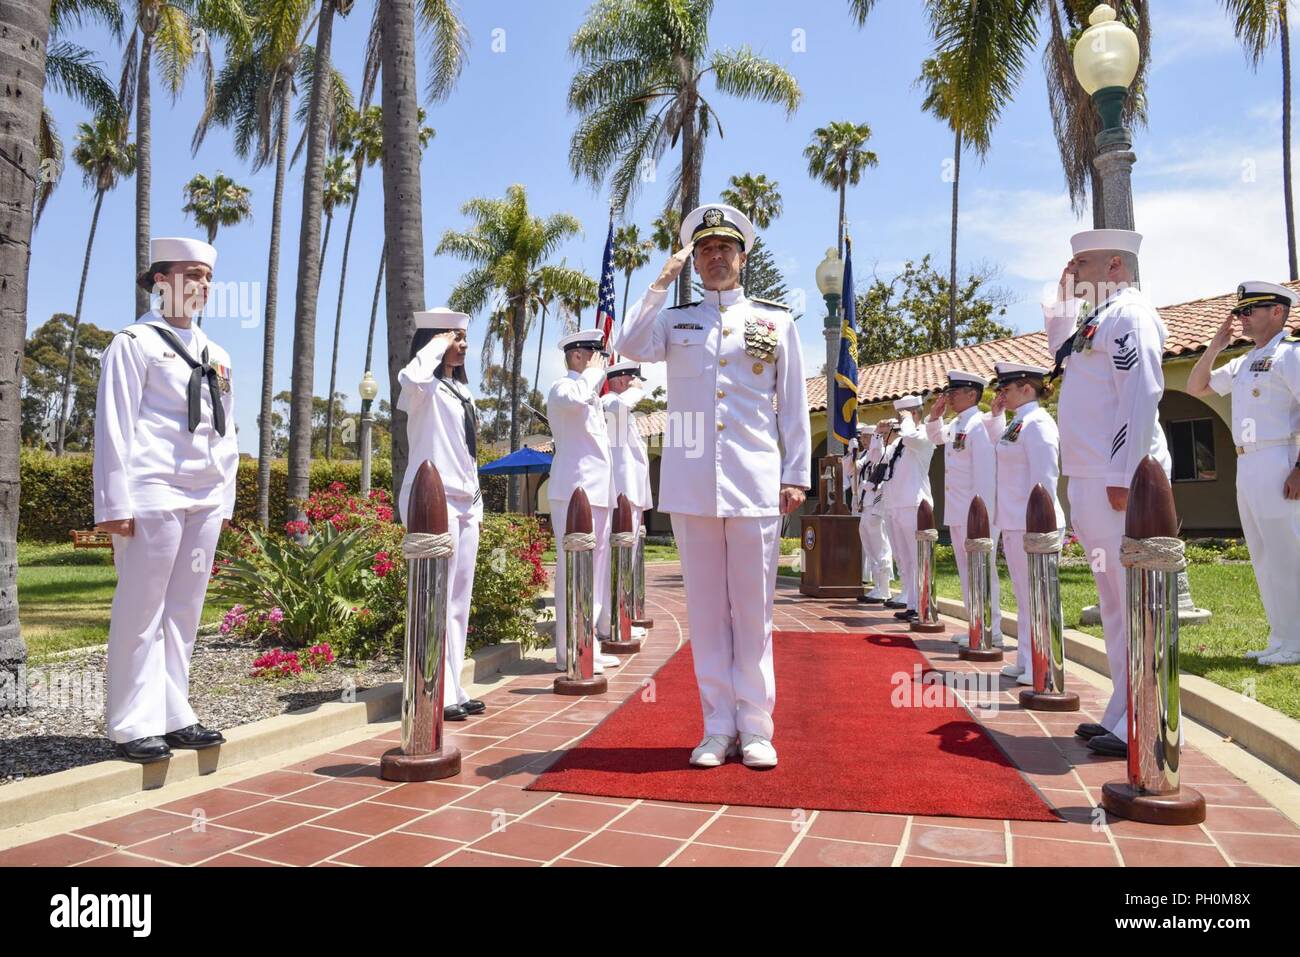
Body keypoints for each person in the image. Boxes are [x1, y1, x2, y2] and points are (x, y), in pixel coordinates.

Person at [616, 203, 810, 769]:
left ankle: (756, 728)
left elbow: (792, 403)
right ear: (694, 262)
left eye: (725, 248)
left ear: (742, 257)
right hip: (692, 483)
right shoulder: (676, 322)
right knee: (705, 610)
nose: (716, 256)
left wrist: (796, 472)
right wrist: (657, 286)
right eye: (705, 250)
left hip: (754, 482)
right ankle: (716, 727)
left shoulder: (775, 322)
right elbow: (628, 344)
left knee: (752, 611)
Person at [93, 237, 236, 763]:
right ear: (160, 280)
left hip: (203, 494)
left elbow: (229, 434)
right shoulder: (134, 342)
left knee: (184, 610)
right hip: (151, 488)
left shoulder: (216, 354)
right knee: (140, 608)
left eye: (207, 277)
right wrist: (114, 503)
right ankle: (131, 723)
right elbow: (114, 424)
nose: (201, 285)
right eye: (191, 274)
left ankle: (175, 713)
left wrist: (224, 498)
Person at [1044, 229, 1170, 758]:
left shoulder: (1130, 315)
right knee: (1115, 604)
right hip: (1093, 476)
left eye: (1082, 261)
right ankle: (1124, 708)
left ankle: (1146, 714)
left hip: (1116, 478)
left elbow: (1140, 393)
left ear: (1115, 262)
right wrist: (1061, 301)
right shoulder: (1100, 317)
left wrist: (1124, 473)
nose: (1072, 267)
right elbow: (1059, 355)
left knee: (1136, 602)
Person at [1187, 281, 1300, 666]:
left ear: (1278, 313)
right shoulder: (1245, 361)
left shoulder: (1290, 356)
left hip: (1279, 457)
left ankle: (1296, 641)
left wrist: (1299, 468)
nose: (1243, 318)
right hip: (1247, 462)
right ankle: (1281, 636)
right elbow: (1197, 386)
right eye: (1241, 312)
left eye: (1251, 311)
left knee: (1288, 552)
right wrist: (1216, 345)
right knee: (1264, 554)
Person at [397, 308, 488, 721]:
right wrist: (436, 343)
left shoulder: (461, 392)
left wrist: (477, 501)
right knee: (433, 596)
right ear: (434, 340)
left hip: (466, 500)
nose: (462, 345)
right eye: (455, 338)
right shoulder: (422, 388)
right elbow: (412, 375)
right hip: (431, 500)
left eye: (464, 338)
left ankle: (452, 680)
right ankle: (434, 685)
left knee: (457, 600)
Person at [985, 363, 1065, 686]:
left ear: (1027, 389)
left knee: (1039, 596)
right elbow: (1001, 452)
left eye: (1007, 389)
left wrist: (1038, 522)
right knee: (1024, 594)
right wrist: (995, 416)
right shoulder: (1018, 423)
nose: (1001, 394)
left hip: (1035, 523)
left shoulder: (1038, 423)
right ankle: (1026, 659)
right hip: (1016, 521)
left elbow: (1045, 478)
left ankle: (1043, 665)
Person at [547, 329, 621, 674]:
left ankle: (587, 642)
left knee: (595, 572)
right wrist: (594, 372)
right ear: (578, 355)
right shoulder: (565, 388)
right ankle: (567, 649)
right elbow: (574, 399)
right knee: (572, 570)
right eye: (596, 353)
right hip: (573, 494)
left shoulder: (588, 392)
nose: (602, 361)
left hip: (598, 493)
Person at [926, 370, 1004, 648]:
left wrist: (980, 514)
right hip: (959, 511)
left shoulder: (981, 424)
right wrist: (934, 416)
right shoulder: (959, 423)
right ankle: (975, 622)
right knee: (966, 570)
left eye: (954, 393)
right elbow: (937, 439)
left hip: (977, 513)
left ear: (972, 394)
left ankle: (991, 627)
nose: (949, 397)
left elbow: (984, 474)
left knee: (982, 569)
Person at [600, 361, 653, 641]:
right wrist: (636, 392)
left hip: (631, 493)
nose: (637, 384)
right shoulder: (609, 402)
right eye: (633, 380)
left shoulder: (622, 408)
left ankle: (621, 618)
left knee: (626, 560)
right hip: (619, 492)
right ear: (621, 381)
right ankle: (610, 622)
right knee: (615, 561)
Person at [882, 395, 936, 621]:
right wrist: (879, 435)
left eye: (901, 415)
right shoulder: (899, 443)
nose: (897, 420)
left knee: (918, 558)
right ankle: (912, 603)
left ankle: (925, 604)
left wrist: (907, 421)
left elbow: (912, 436)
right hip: (896, 504)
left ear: (914, 414)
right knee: (904, 557)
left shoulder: (923, 435)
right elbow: (881, 459)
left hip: (915, 505)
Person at [856, 420, 896, 605]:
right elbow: (872, 457)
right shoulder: (876, 455)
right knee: (869, 543)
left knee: (880, 545)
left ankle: (885, 588)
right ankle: (878, 586)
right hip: (867, 503)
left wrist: (872, 489)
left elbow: (884, 479)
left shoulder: (891, 453)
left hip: (878, 504)